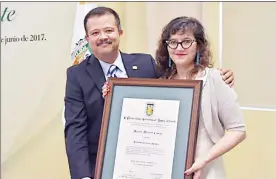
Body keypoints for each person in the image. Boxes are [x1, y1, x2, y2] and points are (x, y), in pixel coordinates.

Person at [64, 6, 235, 179]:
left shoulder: (145, 63)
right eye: (95, 33)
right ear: (87, 38)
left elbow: (180, 81)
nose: (103, 37)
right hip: (103, 169)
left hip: (155, 165)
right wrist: (83, 176)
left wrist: (217, 75)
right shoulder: (76, 75)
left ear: (120, 32)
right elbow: (75, 130)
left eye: (109, 30)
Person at [103, 16, 246, 179]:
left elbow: (238, 130)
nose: (179, 47)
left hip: (205, 171)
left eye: (186, 41)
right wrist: (111, 92)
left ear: (198, 45)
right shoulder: (163, 83)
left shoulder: (215, 79)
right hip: (166, 171)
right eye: (173, 42)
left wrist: (204, 160)